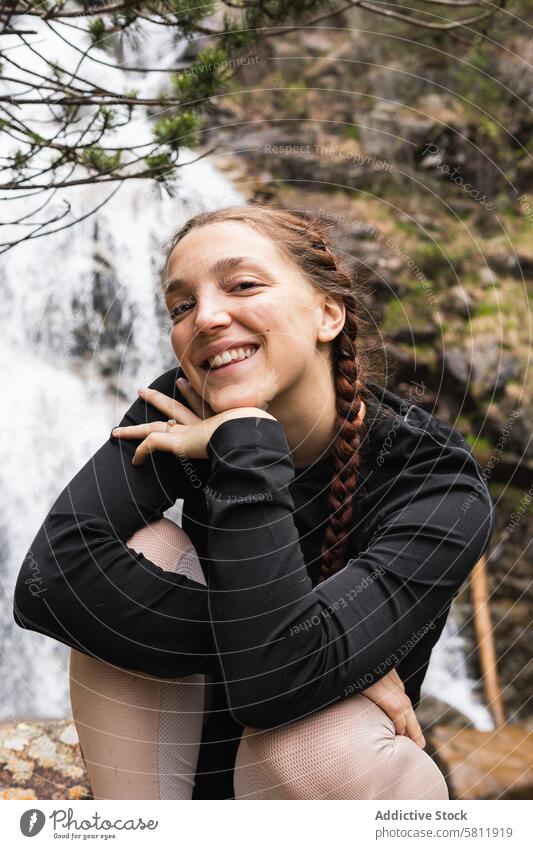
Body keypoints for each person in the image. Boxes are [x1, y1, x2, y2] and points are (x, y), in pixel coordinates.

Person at [13, 204, 493, 800]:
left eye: (242, 285)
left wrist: (243, 437)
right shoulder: (180, 406)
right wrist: (299, 645)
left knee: (313, 731)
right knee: (152, 545)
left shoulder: (437, 481)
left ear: (328, 313)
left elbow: (275, 687)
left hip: (317, 787)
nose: (207, 318)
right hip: (176, 781)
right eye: (182, 306)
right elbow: (46, 582)